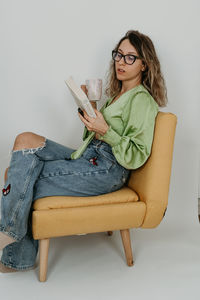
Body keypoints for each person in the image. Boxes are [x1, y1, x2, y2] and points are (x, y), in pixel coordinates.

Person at [0, 29, 167, 273]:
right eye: (118, 55)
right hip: (89, 156)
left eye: (130, 57)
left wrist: (105, 130)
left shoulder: (141, 100)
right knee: (25, 141)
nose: (121, 61)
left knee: (23, 177)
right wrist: (89, 110)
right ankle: (15, 241)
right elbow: (96, 136)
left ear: (145, 64)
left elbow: (136, 154)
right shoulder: (116, 97)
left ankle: (13, 246)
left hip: (108, 170)